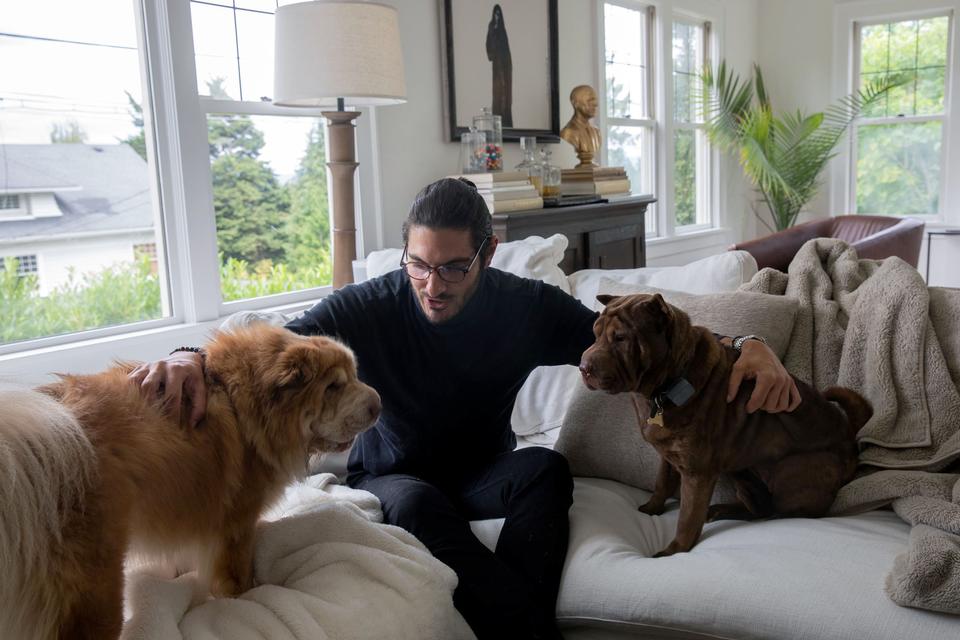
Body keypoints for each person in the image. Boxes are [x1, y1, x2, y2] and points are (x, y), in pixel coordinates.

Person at [131, 177, 801, 639]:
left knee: (545, 468)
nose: (432, 283)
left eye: (453, 266)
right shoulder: (370, 307)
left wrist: (744, 342)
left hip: (484, 470)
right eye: (418, 263)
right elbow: (271, 341)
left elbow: (641, 338)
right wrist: (191, 354)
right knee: (422, 505)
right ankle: (529, 631)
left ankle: (511, 622)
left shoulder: (525, 306)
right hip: (395, 474)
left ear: (489, 252)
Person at [560, 85, 602, 168]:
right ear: (576, 104)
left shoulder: (597, 132)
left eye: (595, 100)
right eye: (590, 100)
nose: (595, 104)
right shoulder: (568, 132)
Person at [486, 4, 513, 127]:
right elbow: (489, 47)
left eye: (498, 14)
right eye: (495, 14)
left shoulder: (503, 30)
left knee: (506, 94)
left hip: (505, 65)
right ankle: (497, 122)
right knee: (497, 94)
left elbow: (506, 50)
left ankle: (507, 121)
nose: (496, 16)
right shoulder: (491, 27)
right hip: (497, 66)